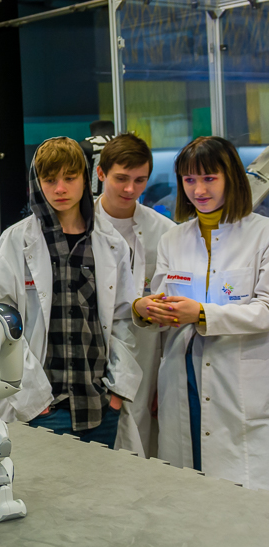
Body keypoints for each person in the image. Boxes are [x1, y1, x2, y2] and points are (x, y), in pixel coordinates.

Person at [133, 136, 269, 490]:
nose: (198, 190)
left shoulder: (263, 235)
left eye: (209, 178)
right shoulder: (173, 239)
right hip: (183, 377)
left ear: (231, 177)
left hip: (239, 382)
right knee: (186, 488)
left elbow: (266, 310)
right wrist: (146, 309)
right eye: (189, 180)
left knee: (241, 495)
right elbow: (163, 302)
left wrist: (203, 314)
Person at [0, 137, 140, 447]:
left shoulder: (111, 243)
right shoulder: (15, 242)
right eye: (50, 180)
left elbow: (123, 320)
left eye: (70, 178)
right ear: (37, 183)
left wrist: (116, 393)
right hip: (43, 407)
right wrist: (36, 402)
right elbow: (0, 325)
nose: (60, 188)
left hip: (99, 405)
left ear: (85, 179)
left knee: (104, 480)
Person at [93, 134, 175, 457]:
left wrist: (163, 382)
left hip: (146, 353)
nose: (130, 189)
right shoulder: (80, 226)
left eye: (140, 180)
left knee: (140, 444)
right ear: (101, 173)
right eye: (121, 178)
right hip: (92, 353)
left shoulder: (164, 232)